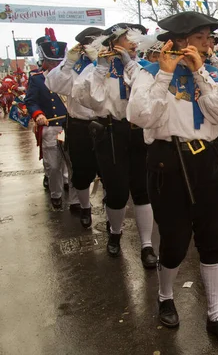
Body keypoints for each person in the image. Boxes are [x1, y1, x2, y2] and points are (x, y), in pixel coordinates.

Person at [128, 11, 218, 347]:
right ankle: (166, 295)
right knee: (176, 242)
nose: (209, 44)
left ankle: (216, 314)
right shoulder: (149, 74)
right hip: (167, 162)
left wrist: (201, 74)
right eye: (201, 38)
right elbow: (140, 116)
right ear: (180, 41)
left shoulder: (214, 72)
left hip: (206, 159)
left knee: (213, 239)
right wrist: (165, 74)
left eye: (210, 38)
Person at [72, 23, 157, 267]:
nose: (133, 42)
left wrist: (131, 67)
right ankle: (116, 233)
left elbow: (150, 97)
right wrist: (101, 68)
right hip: (111, 132)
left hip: (138, 132)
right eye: (127, 38)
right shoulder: (95, 69)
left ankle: (146, 245)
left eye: (134, 38)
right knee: (117, 192)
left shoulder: (141, 68)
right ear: (113, 43)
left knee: (143, 191)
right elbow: (93, 101)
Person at [46, 27, 103, 227]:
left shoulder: (108, 62)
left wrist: (99, 61)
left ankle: (112, 208)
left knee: (109, 170)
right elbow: (53, 83)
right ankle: (85, 207)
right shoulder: (74, 66)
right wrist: (69, 61)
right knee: (81, 170)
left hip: (106, 123)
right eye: (89, 44)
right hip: (79, 125)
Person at [24, 29, 74, 210]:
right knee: (53, 166)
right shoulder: (37, 79)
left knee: (72, 163)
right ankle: (56, 194)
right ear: (44, 61)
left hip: (67, 126)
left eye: (57, 62)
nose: (54, 65)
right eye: (51, 62)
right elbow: (31, 101)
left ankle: (76, 201)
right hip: (50, 127)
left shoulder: (70, 76)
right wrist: (38, 115)